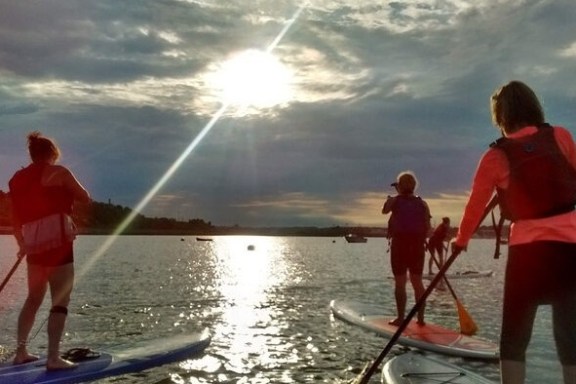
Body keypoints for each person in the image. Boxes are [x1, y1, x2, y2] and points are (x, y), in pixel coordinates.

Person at [452, 81, 576, 384]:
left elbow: (475, 206)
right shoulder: (560, 136)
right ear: (533, 106)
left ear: (501, 116)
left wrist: (460, 241)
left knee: (514, 342)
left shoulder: (495, 156)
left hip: (527, 255)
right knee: (571, 342)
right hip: (569, 250)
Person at [9, 132, 91, 371]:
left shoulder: (17, 179)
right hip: (58, 244)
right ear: (51, 154)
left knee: (33, 299)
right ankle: (53, 358)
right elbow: (84, 197)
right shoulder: (60, 172)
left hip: (32, 245)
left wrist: (21, 243)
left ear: (32, 154)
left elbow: (15, 219)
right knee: (60, 301)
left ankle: (21, 352)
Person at [382, 171, 431, 326]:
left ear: (400, 186)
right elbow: (428, 227)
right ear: (414, 186)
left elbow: (384, 210)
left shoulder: (394, 201)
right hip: (417, 246)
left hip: (400, 246)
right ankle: (421, 319)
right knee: (418, 283)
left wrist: (392, 198)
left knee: (400, 283)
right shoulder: (423, 203)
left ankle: (401, 318)